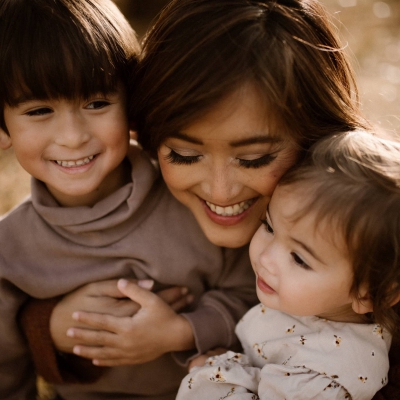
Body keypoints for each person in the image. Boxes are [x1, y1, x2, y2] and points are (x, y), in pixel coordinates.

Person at [16, 0, 380, 398]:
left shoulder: (373, 231)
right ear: (146, 136)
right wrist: (47, 325)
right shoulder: (138, 206)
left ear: (318, 136)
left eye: (254, 158)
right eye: (185, 156)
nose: (221, 192)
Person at [0, 1, 259, 399]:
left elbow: (258, 303)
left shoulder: (196, 204)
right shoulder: (10, 249)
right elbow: (6, 364)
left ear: (133, 107)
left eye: (97, 103)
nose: (72, 136)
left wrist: (182, 331)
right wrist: (51, 326)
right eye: (39, 110)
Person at [176, 130, 400, 400]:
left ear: (369, 292)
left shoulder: (327, 376)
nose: (266, 258)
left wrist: (210, 371)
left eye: (299, 258)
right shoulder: (315, 304)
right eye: (269, 226)